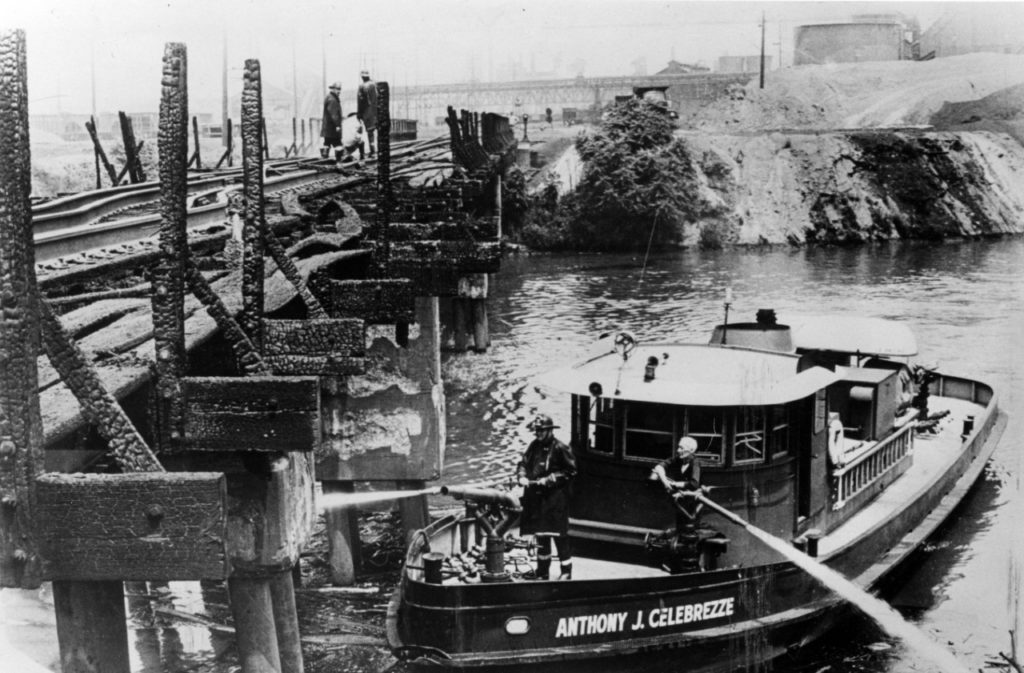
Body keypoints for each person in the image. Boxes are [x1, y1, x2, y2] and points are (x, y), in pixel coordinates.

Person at [516, 414, 577, 580]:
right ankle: (542, 572)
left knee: (559, 536)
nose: (539, 434)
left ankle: (566, 572)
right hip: (537, 499)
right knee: (541, 534)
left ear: (550, 430)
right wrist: (521, 476)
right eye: (537, 430)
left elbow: (571, 471)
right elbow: (523, 463)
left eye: (542, 431)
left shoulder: (560, 447)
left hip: (555, 500)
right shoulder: (534, 446)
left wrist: (551, 479)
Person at [650, 437, 707, 533]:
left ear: (691, 450)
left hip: (693, 502)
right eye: (678, 447)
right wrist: (665, 481)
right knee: (680, 527)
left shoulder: (695, 463)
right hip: (680, 500)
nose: (678, 450)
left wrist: (675, 484)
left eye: (681, 448)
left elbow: (694, 484)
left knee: (690, 529)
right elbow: (659, 467)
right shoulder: (678, 460)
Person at [356, 69, 378, 159]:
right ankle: (374, 151)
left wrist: (359, 113)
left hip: (367, 112)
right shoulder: (374, 84)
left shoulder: (362, 86)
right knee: (373, 131)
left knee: (369, 132)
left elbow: (360, 101)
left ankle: (372, 152)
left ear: (362, 77)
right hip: (375, 112)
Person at [321, 81, 343, 164]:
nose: (339, 91)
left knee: (327, 142)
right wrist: (337, 125)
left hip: (328, 127)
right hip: (333, 127)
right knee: (338, 144)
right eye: (337, 89)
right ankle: (339, 161)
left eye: (340, 89)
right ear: (333, 89)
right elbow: (333, 114)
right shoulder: (333, 100)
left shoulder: (329, 97)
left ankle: (324, 159)